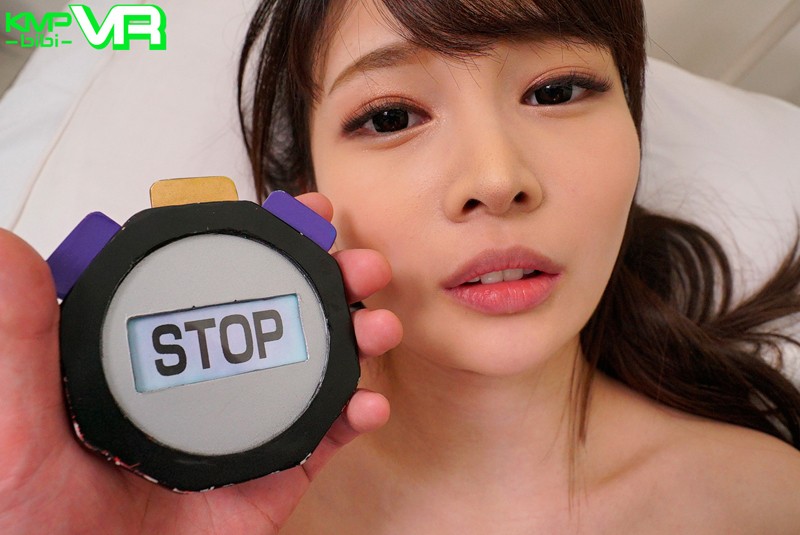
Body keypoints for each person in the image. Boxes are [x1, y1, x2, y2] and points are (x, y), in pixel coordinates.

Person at [1, 0, 799, 533]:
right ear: (303, 197)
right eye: (390, 116)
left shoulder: (765, 500)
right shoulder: (179, 508)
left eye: (557, 90)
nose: (496, 178)